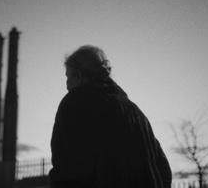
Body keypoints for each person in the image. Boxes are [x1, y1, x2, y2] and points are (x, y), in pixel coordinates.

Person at [49, 45, 172, 188]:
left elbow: (68, 168)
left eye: (68, 76)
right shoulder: (135, 111)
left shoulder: (75, 104)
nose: (67, 84)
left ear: (78, 75)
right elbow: (163, 169)